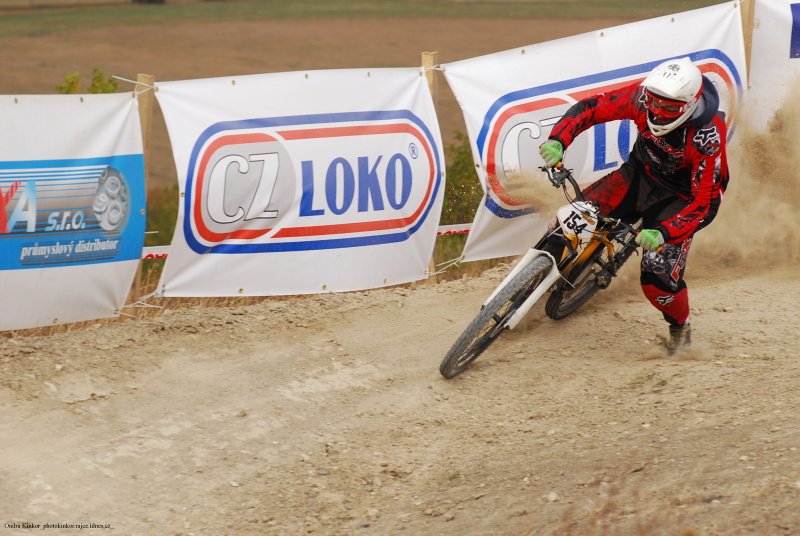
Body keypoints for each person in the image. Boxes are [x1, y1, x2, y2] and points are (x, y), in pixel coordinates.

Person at [538, 57, 729, 355]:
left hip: (681, 198)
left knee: (656, 279)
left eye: (670, 109)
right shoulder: (642, 97)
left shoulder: (707, 137)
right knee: (568, 221)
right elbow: (592, 108)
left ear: (690, 105)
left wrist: (664, 233)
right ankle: (532, 279)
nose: (658, 112)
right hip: (638, 174)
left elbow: (705, 203)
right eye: (654, 103)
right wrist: (559, 140)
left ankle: (680, 326)